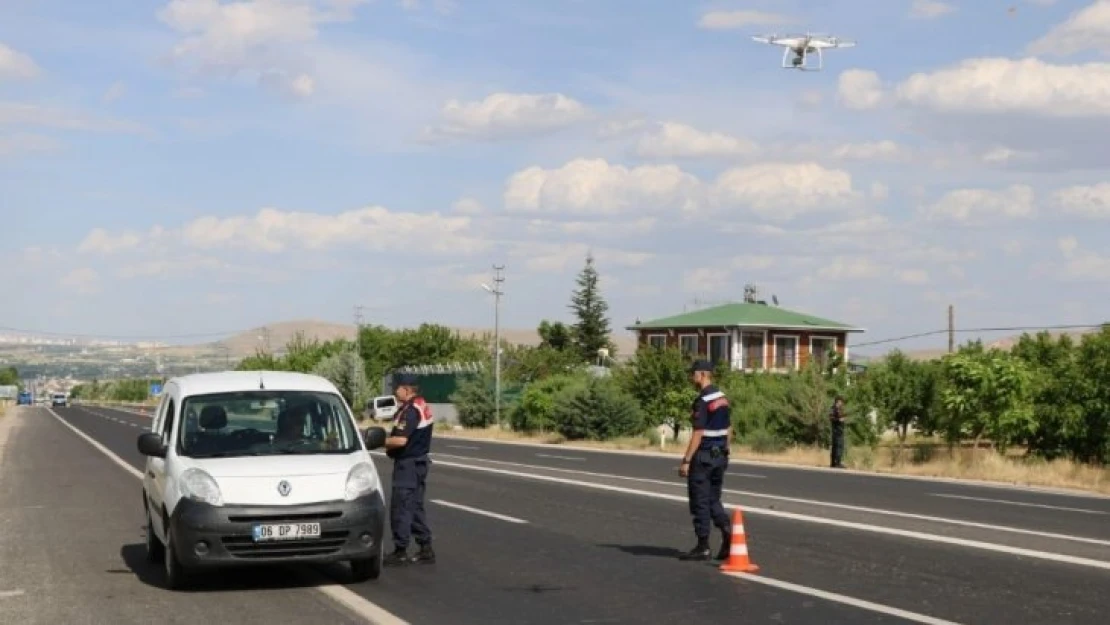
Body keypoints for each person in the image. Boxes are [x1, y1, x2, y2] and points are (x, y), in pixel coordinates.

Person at [678, 360, 733, 562]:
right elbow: (729, 428)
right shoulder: (722, 398)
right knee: (713, 498)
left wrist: (686, 460)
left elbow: (698, 432)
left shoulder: (703, 400)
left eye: (693, 373)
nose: (691, 377)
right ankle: (728, 531)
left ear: (701, 374)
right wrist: (726, 451)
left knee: (699, 500)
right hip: (719, 455)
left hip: (704, 455)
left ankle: (703, 546)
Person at [383, 372, 435, 566]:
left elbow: (401, 439)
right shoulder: (420, 405)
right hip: (418, 463)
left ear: (406, 389)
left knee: (401, 507)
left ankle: (400, 550)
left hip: (408, 465)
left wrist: (379, 441)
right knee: (414, 507)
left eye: (396, 388)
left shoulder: (410, 410)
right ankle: (425, 547)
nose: (395, 392)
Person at [829, 395, 846, 468]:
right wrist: (839, 420)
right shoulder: (834, 409)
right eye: (841, 402)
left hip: (839, 430)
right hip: (837, 431)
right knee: (838, 446)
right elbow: (831, 418)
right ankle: (837, 463)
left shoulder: (838, 409)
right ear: (838, 401)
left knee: (836, 447)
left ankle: (833, 463)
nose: (841, 403)